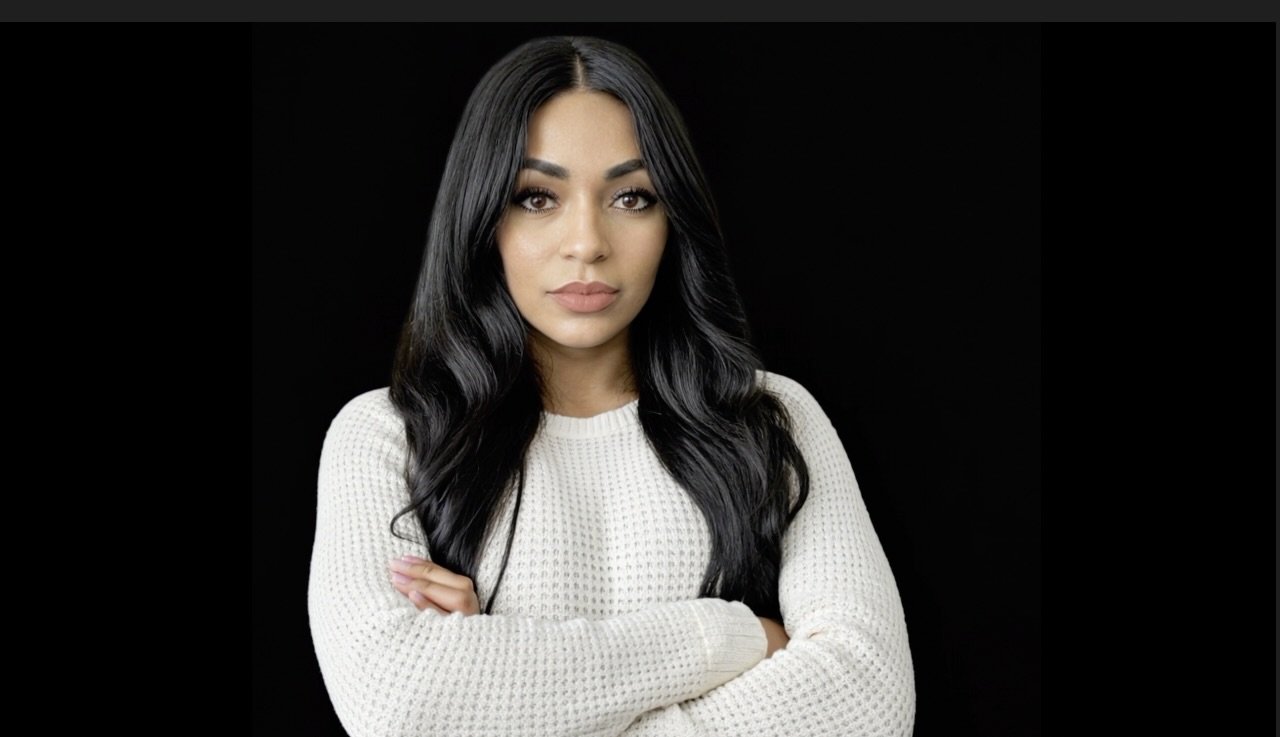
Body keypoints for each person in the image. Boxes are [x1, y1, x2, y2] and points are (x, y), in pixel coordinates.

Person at [308, 35, 916, 737]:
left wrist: (503, 692)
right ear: (482, 218)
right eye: (537, 196)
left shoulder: (772, 420)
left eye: (632, 196)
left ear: (672, 218)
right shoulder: (391, 434)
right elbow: (398, 699)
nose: (587, 241)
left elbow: (867, 704)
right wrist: (738, 636)